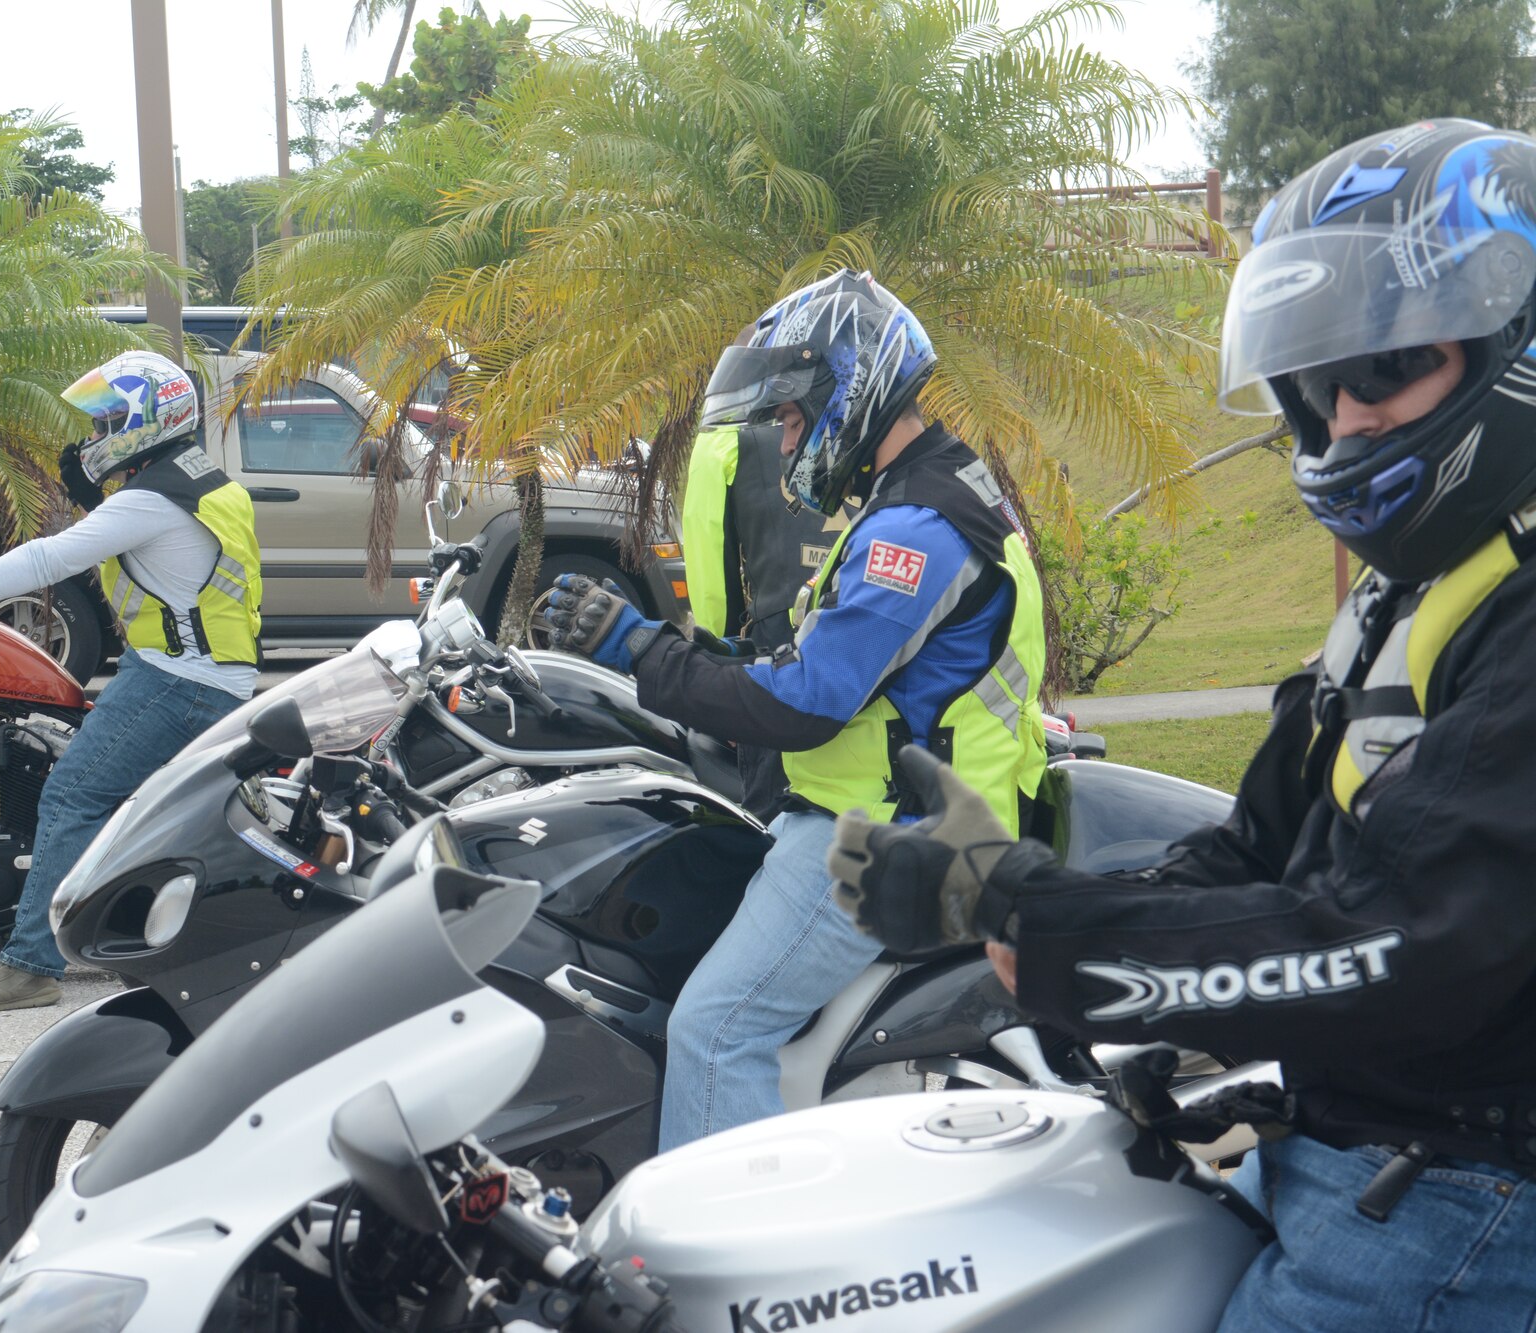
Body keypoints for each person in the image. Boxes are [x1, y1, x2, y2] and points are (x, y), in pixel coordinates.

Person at [828, 120, 1536, 1329]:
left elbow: (1408, 941)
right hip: (1356, 1142)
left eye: (1386, 370)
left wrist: (1036, 918)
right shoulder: (1414, 597)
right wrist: (1027, 905)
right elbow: (1256, 848)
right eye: (1317, 391)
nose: (1347, 421)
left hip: (1461, 1202)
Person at [537, 271, 1049, 1151]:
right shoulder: (924, 495)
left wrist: (641, 650)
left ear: (850, 394)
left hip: (895, 833)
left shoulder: (912, 532)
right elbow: (820, 663)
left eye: (791, 416)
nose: (783, 438)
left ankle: (713, 1264)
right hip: (904, 809)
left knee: (714, 1028)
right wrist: (661, 647)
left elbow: (809, 702)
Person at [0, 349, 264, 1013]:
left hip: (180, 683)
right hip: (194, 673)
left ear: (144, 424)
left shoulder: (152, 498)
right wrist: (99, 497)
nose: (93, 437)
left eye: (106, 423)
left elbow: (51, 555)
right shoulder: (194, 479)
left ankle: (30, 963)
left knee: (70, 794)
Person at [681, 414, 850, 819]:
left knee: (770, 812)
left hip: (774, 648)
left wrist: (723, 671)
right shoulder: (873, 429)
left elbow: (712, 586)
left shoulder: (725, 442)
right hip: (857, 638)